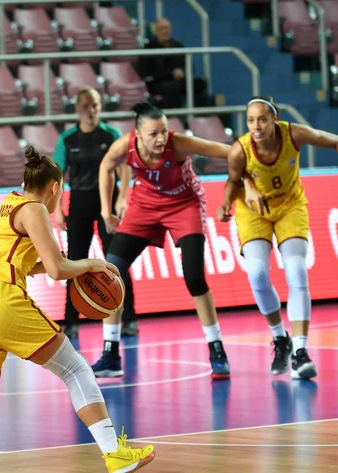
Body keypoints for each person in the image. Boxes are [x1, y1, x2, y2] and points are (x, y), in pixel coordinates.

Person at [0, 147, 156, 473]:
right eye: (60, 191)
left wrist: (68, 266)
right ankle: (114, 453)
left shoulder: (5, 206)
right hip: (0, 302)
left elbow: (22, 263)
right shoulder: (34, 207)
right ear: (54, 188)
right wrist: (92, 263)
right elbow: (57, 268)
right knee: (76, 370)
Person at [93, 102, 232, 380]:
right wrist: (106, 210)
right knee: (111, 274)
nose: (160, 139)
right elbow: (106, 166)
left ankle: (217, 350)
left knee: (194, 277)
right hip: (145, 206)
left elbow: (230, 153)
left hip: (185, 205)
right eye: (153, 134)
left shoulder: (179, 144)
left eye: (164, 132)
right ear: (138, 135)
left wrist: (243, 183)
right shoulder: (124, 146)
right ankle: (111, 354)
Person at [217, 95, 338, 379]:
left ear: (275, 119)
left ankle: (301, 351)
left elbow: (330, 139)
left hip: (290, 207)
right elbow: (233, 182)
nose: (256, 125)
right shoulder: (240, 150)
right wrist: (225, 204)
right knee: (257, 273)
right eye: (250, 120)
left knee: (296, 269)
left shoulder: (294, 133)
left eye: (262, 119)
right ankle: (280, 338)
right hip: (253, 212)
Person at [53, 87, 138, 339]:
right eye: (87, 106)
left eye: (96, 105)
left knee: (117, 259)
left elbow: (125, 168)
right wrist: (57, 209)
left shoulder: (110, 134)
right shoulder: (67, 138)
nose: (91, 110)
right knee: (74, 261)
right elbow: (56, 176)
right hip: (78, 201)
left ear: (101, 107)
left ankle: (130, 317)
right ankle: (71, 323)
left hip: (107, 203)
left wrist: (122, 197)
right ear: (78, 109)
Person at [138, 18, 208, 109]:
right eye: (161, 29)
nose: (165, 31)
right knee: (172, 87)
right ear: (155, 32)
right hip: (157, 83)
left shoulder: (179, 46)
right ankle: (174, 118)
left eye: (166, 28)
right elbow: (146, 73)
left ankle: (197, 118)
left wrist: (183, 72)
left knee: (200, 84)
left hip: (179, 80)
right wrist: (171, 73)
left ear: (171, 30)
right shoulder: (148, 49)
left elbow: (189, 68)